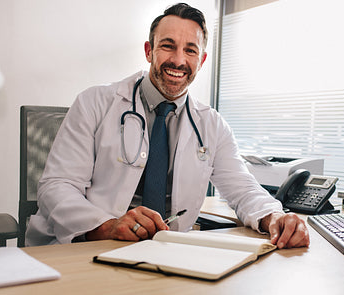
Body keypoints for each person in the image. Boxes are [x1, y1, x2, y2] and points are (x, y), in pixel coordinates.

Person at [26, 3, 309, 249]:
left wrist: (275, 217)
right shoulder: (95, 102)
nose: (178, 60)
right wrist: (107, 226)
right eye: (167, 45)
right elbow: (57, 186)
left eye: (190, 50)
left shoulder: (211, 124)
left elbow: (243, 189)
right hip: (86, 245)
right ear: (149, 51)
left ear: (202, 60)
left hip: (165, 253)